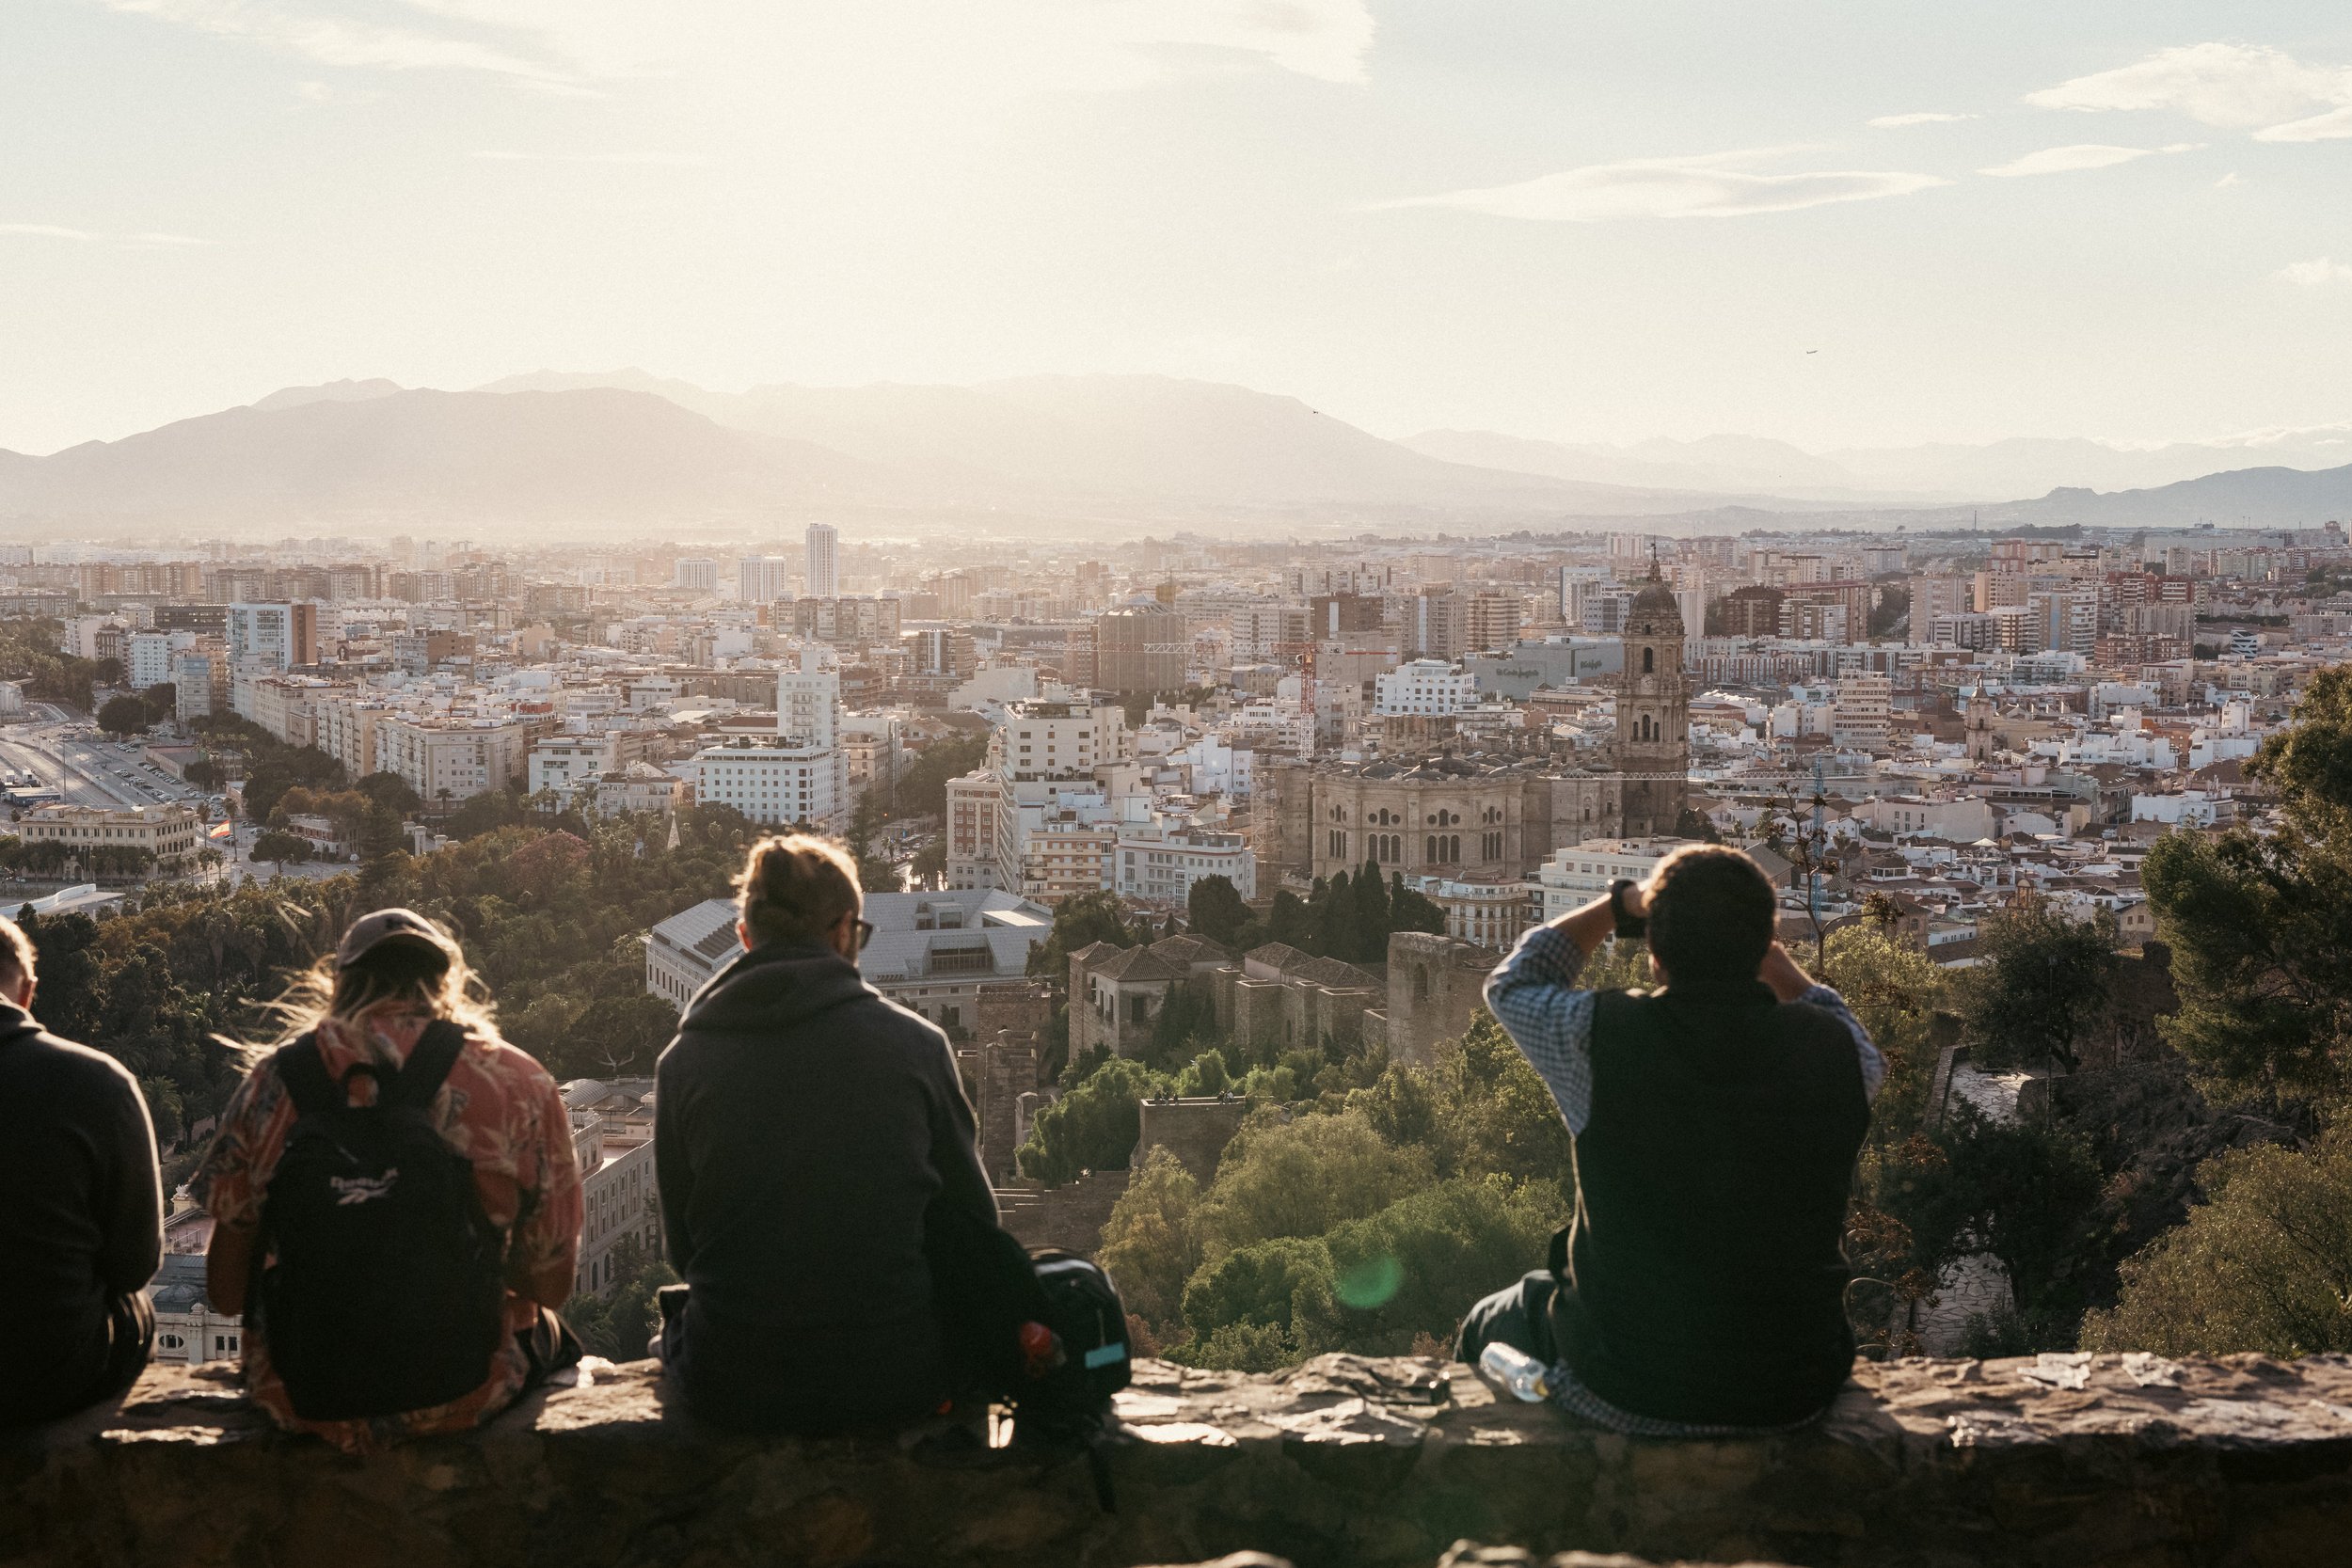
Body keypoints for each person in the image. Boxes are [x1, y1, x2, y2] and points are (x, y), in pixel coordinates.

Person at [1456, 843, 1884, 1434]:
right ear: (1764, 943)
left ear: (1655, 955)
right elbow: (1828, 1013)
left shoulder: (1598, 1037)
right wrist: (1762, 950)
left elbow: (1514, 981)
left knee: (1488, 1321)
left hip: (1625, 1382)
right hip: (1794, 1384)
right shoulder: (1839, 1054)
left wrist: (1619, 907)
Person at [195, 909, 582, 1455]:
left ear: (338, 985)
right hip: (467, 1391)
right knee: (558, 1339)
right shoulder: (517, 1082)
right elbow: (551, 1287)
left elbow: (226, 1292)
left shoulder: (273, 1085)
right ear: (447, 983)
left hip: (299, 1397)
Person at [655, 832, 998, 1434]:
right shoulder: (915, 1046)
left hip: (732, 1377)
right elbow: (973, 1227)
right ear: (843, 932)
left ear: (745, 937)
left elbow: (684, 1251)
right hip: (894, 1373)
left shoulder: (683, 1063)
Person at [0, 913, 163, 1427]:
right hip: (49, 1374)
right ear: (27, 993)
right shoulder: (98, 1082)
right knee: (136, 1307)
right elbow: (134, 1265)